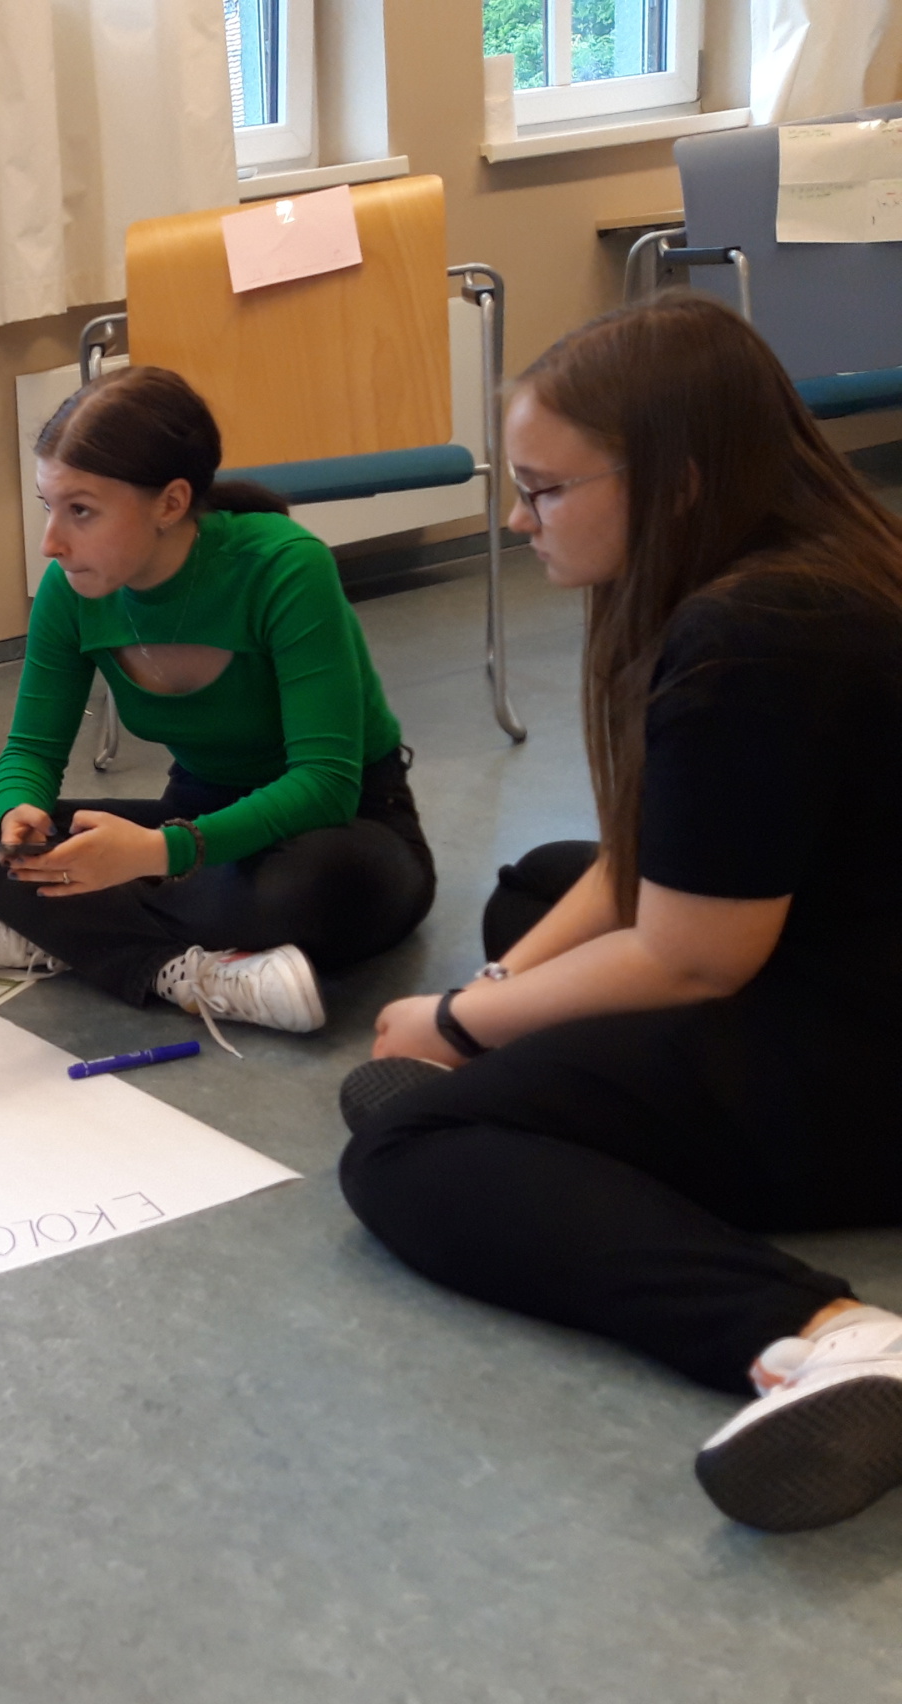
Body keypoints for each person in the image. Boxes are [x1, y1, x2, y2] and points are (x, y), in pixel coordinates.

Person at [339, 292, 902, 1533]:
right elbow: (638, 861)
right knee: (533, 891)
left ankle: (831, 1337)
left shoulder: (752, 636)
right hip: (851, 955)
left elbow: (695, 957)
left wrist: (458, 1031)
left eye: (543, 491)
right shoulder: (794, 568)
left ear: (677, 483)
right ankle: (542, 1099)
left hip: (864, 1051)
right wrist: (486, 1001)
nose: (516, 519)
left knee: (409, 1150)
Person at [0, 366, 435, 1043]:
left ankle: (75, 937)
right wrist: (18, 811)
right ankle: (184, 971)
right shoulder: (69, 590)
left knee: (302, 887)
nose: (52, 541)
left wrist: (159, 853)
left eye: (81, 510)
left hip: (345, 825)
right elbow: (30, 752)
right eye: (47, 505)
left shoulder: (285, 567)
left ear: (171, 503)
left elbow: (325, 785)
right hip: (198, 820)